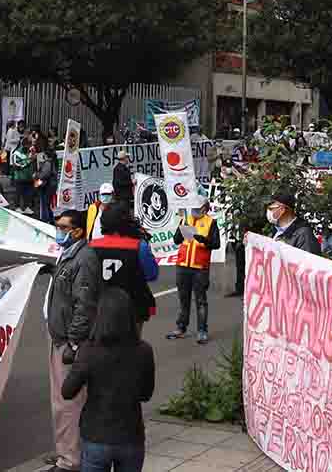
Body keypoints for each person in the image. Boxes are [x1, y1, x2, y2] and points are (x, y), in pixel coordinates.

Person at [61, 287, 157, 472]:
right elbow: (146, 394)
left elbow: (67, 391)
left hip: (96, 435)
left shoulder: (90, 351)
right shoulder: (144, 350)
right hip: (131, 435)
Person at [45, 209, 97, 472]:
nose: (59, 231)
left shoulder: (84, 258)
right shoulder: (69, 254)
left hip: (68, 342)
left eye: (63, 227)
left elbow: (84, 305)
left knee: (67, 403)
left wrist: (73, 344)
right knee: (64, 402)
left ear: (77, 231)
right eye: (57, 226)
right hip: (59, 337)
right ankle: (66, 451)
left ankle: (69, 461)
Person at [89, 203, 158, 327]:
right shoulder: (139, 246)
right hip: (133, 305)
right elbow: (151, 274)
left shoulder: (91, 246)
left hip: (100, 305)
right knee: (133, 343)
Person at [167, 196, 219, 344]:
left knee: (201, 300)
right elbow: (176, 240)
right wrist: (182, 228)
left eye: (198, 208)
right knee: (184, 299)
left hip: (199, 268)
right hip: (183, 266)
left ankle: (202, 331)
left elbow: (216, 244)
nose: (195, 210)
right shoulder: (186, 219)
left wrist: (203, 239)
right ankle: (181, 327)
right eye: (193, 207)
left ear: (205, 208)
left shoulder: (211, 222)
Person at [265, 190, 321, 255]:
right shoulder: (275, 231)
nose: (268, 211)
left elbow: (308, 262)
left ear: (282, 210)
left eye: (271, 208)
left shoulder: (304, 235)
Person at [11, 139, 34, 213]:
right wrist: (29, 161)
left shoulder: (30, 152)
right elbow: (16, 165)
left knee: (28, 193)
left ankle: (26, 207)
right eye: (28, 145)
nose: (29, 147)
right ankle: (17, 207)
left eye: (30, 145)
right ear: (23, 145)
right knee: (18, 193)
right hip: (19, 177)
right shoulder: (16, 153)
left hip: (29, 177)